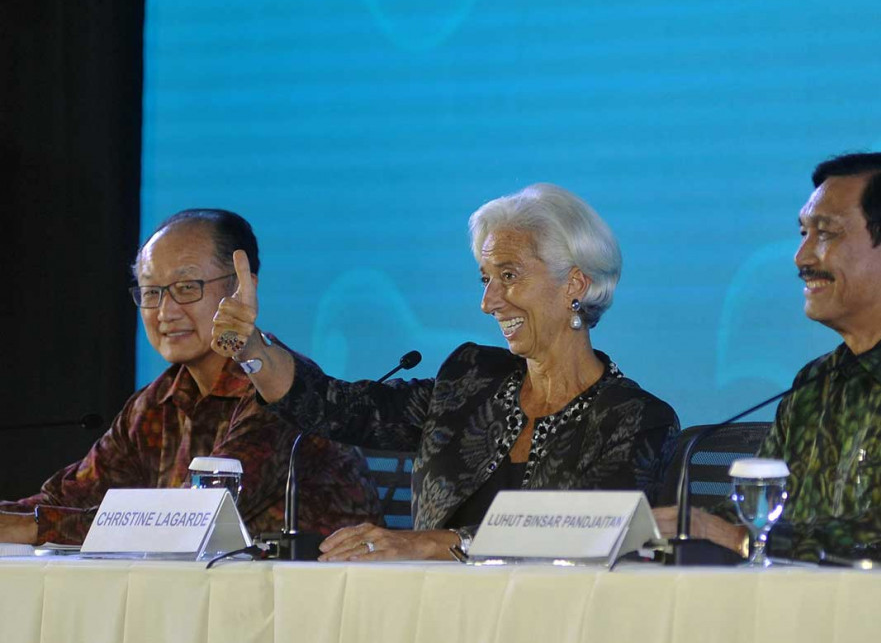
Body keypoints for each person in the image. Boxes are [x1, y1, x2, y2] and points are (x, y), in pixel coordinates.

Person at [211, 183, 680, 561]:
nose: (488, 301)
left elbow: (591, 533)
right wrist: (251, 348)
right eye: (485, 279)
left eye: (510, 276)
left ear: (574, 283)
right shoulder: (470, 381)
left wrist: (433, 544)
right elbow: (336, 408)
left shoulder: (636, 418)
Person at [664, 152, 881, 563]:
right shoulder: (816, 382)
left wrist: (750, 541)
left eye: (826, 234)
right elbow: (750, 516)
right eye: (803, 233)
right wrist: (671, 528)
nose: (801, 257)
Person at [0, 209, 381, 545]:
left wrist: (35, 528)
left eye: (186, 288)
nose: (165, 311)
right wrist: (15, 518)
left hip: (313, 604)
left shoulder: (282, 390)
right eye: (151, 292)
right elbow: (72, 497)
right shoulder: (157, 401)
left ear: (241, 286)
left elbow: (195, 516)